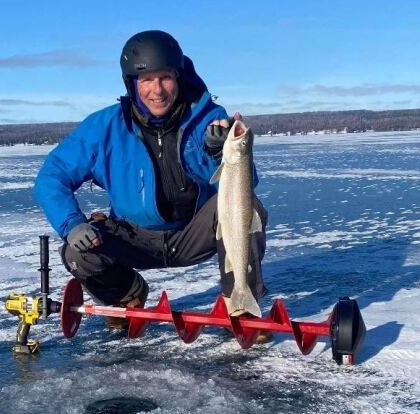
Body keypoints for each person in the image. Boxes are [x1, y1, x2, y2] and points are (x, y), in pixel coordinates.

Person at [34, 30, 268, 331]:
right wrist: (71, 223)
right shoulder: (104, 128)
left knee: (249, 211)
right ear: (132, 84)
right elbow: (51, 176)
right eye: (146, 80)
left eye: (165, 78)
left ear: (178, 77)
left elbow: (243, 186)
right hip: (136, 238)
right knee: (77, 251)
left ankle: (241, 302)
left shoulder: (208, 119)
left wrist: (216, 151)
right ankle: (127, 295)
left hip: (193, 233)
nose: (157, 90)